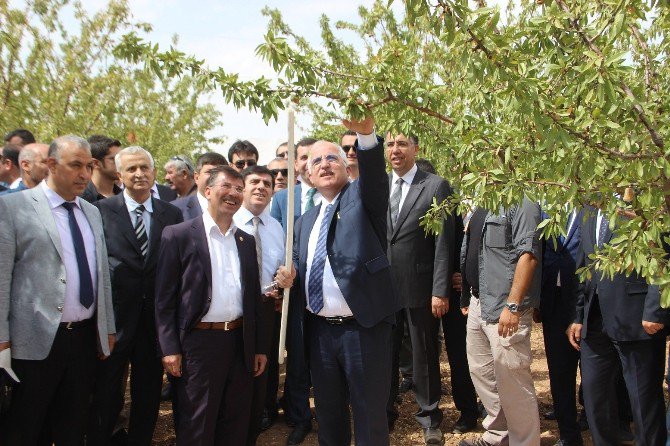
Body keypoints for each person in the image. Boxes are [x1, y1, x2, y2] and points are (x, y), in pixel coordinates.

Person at [154, 165, 293, 445]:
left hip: (240, 343)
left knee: (235, 421)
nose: (233, 193)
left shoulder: (245, 240)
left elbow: (252, 299)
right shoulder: (179, 235)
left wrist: (257, 347)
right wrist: (169, 348)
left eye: (238, 189)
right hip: (199, 344)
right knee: (198, 423)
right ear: (207, 191)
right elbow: (164, 299)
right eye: (226, 187)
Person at [0, 135, 116, 445]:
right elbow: (2, 277)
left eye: (89, 166)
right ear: (51, 165)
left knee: (72, 424)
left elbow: (100, 273)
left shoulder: (91, 212)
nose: (84, 174)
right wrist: (1, 340)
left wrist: (107, 327)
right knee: (27, 427)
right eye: (75, 165)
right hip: (35, 341)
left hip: (82, 339)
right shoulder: (13, 207)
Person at [292, 115, 399, 445]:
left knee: (368, 416)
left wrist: (365, 135)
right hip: (320, 333)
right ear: (307, 174)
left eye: (332, 157)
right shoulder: (304, 221)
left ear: (345, 165)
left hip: (362, 330)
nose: (324, 164)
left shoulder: (362, 200)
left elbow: (375, 179)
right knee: (329, 415)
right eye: (316, 160)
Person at [88, 146, 183, 446]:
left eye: (144, 167)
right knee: (106, 390)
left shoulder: (172, 213)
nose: (139, 174)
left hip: (155, 320)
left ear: (154, 173)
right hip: (115, 319)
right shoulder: (101, 211)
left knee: (148, 390)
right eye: (131, 169)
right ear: (119, 175)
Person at [567, 206, 668, 445]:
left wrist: (656, 309)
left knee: (643, 403)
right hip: (595, 320)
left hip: (637, 319)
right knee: (595, 399)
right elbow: (584, 265)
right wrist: (578, 314)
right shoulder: (589, 208)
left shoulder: (642, 202)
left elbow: (662, 255)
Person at [383, 131, 454, 444]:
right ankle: (384, 413)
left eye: (401, 144)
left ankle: (429, 417)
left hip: (421, 288)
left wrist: (440, 290)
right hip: (383, 291)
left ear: (415, 147)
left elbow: (444, 244)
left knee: (424, 356)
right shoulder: (379, 185)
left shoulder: (436, 185)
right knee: (385, 355)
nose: (395, 150)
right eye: (390, 144)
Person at [459, 199, 542, 446]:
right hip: (478, 301)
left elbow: (528, 254)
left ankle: (524, 442)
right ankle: (498, 435)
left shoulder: (524, 200)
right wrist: (467, 294)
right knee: (483, 374)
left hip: (504, 307)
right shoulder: (486, 197)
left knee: (513, 380)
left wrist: (513, 304)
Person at [267, 137, 319, 445]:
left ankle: (328, 412)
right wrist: (279, 277)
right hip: (295, 292)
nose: (304, 163)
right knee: (297, 358)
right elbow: (276, 241)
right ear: (296, 164)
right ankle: (299, 417)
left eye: (311, 157)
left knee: (325, 358)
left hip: (328, 290)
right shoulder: (284, 198)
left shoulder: (338, 195)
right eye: (300, 158)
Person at [232, 165, 285, 445]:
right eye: (254, 181)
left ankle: (260, 415)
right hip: (236, 310)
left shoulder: (277, 227)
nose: (261, 187)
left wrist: (285, 279)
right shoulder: (228, 221)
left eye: (267, 183)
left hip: (266, 309)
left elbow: (282, 268)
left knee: (263, 370)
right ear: (242, 186)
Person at [538, 208, 584, 446]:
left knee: (590, 372)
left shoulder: (593, 209)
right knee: (559, 372)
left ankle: (590, 417)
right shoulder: (547, 210)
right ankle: (568, 433)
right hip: (553, 303)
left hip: (586, 304)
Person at [172, 152, 228, 220]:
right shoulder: (174, 209)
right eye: (209, 172)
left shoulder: (234, 208)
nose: (214, 177)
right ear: (196, 177)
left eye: (219, 173)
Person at [80, 135, 122, 202]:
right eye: (113, 159)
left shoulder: (126, 198)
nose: (121, 163)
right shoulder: (80, 199)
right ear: (95, 163)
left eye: (121, 158)